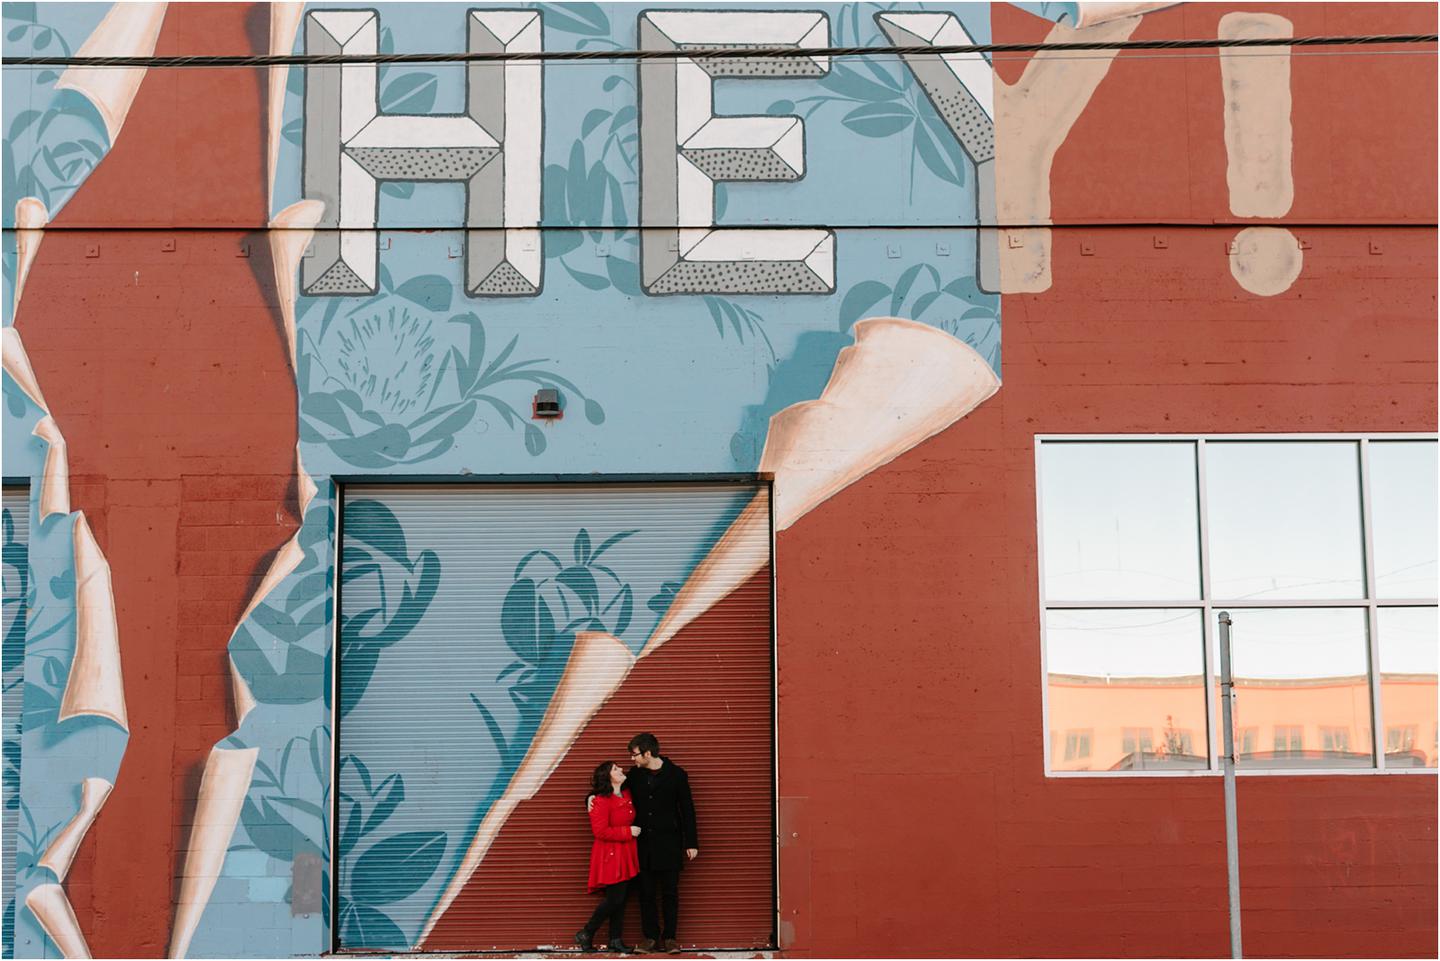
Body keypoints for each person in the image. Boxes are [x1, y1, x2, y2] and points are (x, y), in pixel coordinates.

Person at [624, 733, 698, 955]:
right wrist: (591, 797)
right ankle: (650, 938)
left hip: (669, 844)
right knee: (645, 894)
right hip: (643, 845)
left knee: (669, 893)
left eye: (635, 754)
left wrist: (691, 842)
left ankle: (670, 938)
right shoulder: (634, 775)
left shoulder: (677, 775)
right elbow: (613, 791)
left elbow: (687, 809)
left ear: (648, 753)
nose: (632, 759)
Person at [576, 761, 641, 954]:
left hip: (626, 852)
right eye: (615, 769)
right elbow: (600, 831)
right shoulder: (601, 800)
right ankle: (587, 932)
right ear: (607, 776)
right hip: (610, 855)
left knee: (620, 899)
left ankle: (615, 939)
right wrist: (627, 832)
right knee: (615, 899)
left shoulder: (627, 793)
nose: (620, 770)